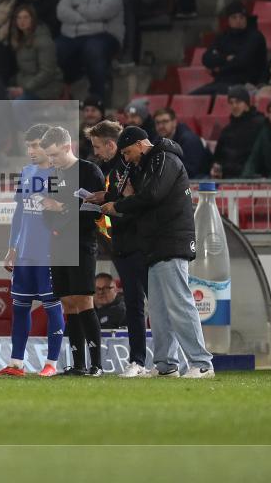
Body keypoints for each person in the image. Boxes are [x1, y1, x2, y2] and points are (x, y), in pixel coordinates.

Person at [101, 126, 215, 378]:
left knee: (179, 302)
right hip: (153, 243)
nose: (127, 158)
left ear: (141, 144)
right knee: (159, 308)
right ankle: (166, 364)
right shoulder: (148, 165)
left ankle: (201, 363)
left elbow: (152, 195)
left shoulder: (165, 159)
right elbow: (147, 196)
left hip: (171, 239)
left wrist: (121, 204)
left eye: (129, 151)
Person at [0, 123, 66, 377]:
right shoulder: (26, 172)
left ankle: (51, 363)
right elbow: (19, 214)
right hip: (24, 252)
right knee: (20, 305)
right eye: (29, 146)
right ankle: (16, 363)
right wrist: (12, 247)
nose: (32, 151)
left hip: (49, 251)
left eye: (36, 145)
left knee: (52, 305)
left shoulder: (61, 175)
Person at [85, 119, 150, 377]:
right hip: (121, 243)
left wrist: (108, 199)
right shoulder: (110, 169)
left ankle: (156, 359)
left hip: (138, 242)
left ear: (111, 144)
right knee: (135, 302)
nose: (96, 152)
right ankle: (141, 361)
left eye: (98, 147)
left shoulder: (130, 167)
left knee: (146, 302)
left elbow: (135, 200)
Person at [40, 126, 107, 376]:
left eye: (55, 155)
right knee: (67, 301)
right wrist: (56, 216)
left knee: (83, 299)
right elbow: (47, 210)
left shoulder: (89, 171)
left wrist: (63, 209)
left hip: (82, 243)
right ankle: (78, 363)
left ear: (68, 147)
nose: (52, 161)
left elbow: (93, 211)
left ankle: (97, 364)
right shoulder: (53, 177)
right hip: (58, 244)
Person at [55, 0, 124, 100]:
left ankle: (97, 97)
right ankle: (64, 91)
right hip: (73, 35)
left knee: (93, 49)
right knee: (55, 48)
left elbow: (105, 11)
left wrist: (78, 9)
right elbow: (61, 12)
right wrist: (88, 18)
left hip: (105, 35)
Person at [194, 1, 268, 95]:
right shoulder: (223, 37)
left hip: (244, 84)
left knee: (216, 93)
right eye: (234, 17)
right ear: (228, 20)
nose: (238, 20)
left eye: (242, 17)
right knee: (190, 98)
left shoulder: (255, 37)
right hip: (221, 82)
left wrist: (219, 69)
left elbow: (241, 62)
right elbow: (206, 58)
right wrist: (225, 58)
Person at [8, 3, 63, 104]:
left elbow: (47, 72)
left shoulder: (44, 40)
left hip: (47, 87)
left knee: (17, 105)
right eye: (19, 18)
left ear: (33, 19)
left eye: (26, 17)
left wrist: (25, 88)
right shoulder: (20, 40)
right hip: (29, 85)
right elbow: (23, 70)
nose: (22, 21)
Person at [210, 86, 265, 179]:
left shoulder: (260, 124)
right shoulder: (226, 130)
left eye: (238, 102)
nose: (234, 106)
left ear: (247, 104)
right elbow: (217, 157)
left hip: (250, 177)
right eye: (231, 103)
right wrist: (215, 168)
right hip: (227, 177)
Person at [153, 107, 211, 178]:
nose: (161, 126)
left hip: (199, 180)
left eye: (165, 121)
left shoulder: (189, 140)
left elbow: (190, 170)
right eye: (157, 123)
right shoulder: (157, 140)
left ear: (174, 122)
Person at [78, 95, 106, 162]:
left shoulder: (108, 133)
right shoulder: (81, 132)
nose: (89, 114)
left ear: (101, 113)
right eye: (86, 110)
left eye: (93, 110)